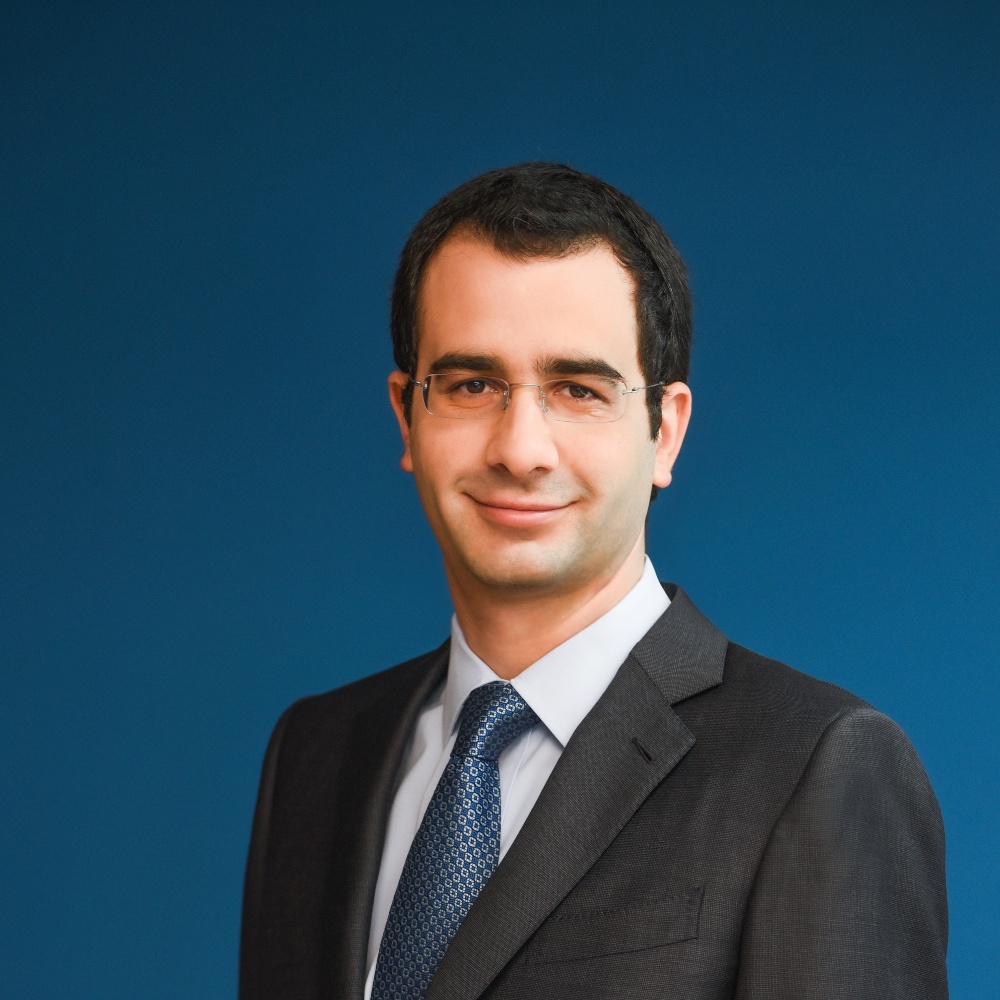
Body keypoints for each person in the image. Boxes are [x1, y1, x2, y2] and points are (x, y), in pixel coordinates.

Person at [239, 163, 948, 999]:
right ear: (406, 415)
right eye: (472, 385)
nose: (520, 449)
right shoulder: (316, 753)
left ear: (665, 432)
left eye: (578, 389)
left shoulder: (815, 766)